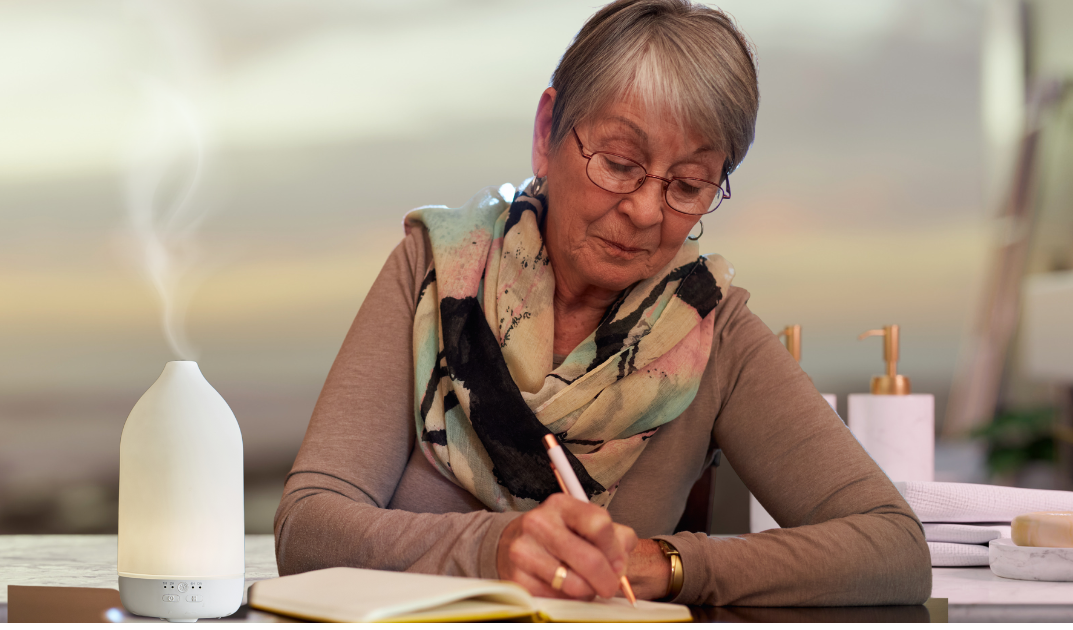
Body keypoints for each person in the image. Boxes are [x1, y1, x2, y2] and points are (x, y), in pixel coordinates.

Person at [273, 0, 931, 606]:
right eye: (618, 163)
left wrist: (668, 563)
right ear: (546, 132)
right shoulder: (438, 273)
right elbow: (308, 524)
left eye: (689, 185)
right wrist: (489, 549)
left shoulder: (709, 331)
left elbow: (893, 548)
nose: (646, 211)